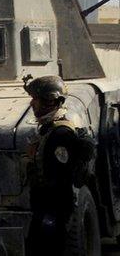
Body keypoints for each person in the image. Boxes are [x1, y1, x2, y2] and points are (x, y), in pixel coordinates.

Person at [22, 75, 96, 255]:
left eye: (36, 99)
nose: (32, 104)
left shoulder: (60, 134)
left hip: (53, 210)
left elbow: (58, 179)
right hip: (47, 209)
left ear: (49, 101)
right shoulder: (49, 129)